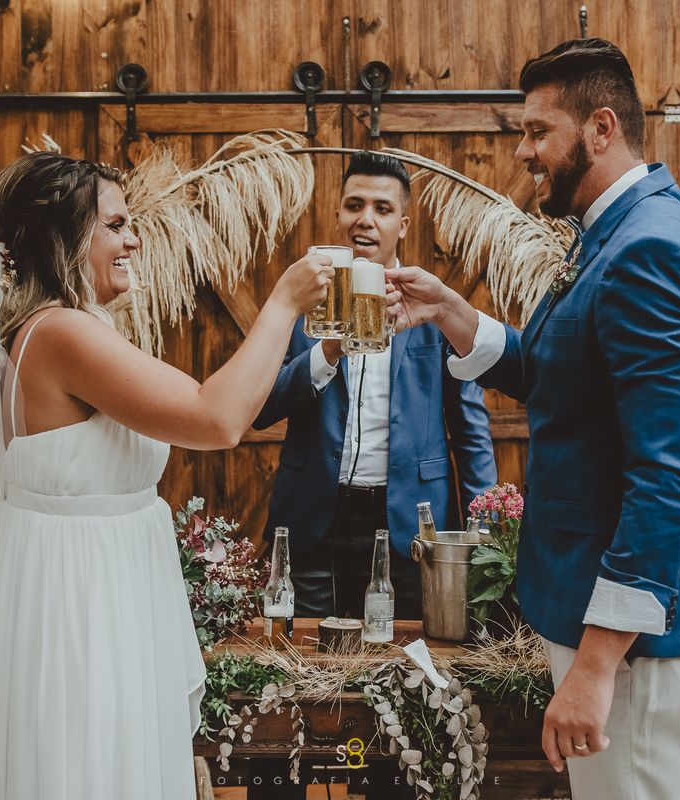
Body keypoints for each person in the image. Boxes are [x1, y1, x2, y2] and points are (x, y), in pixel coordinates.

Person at [0, 151, 332, 800]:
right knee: (83, 765)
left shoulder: (65, 330)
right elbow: (218, 418)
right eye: (116, 225)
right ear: (69, 240)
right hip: (78, 596)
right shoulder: (64, 333)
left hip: (100, 580)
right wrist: (285, 301)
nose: (134, 238)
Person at [385, 39, 680, 800]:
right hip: (598, 618)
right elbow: (565, 375)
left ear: (601, 128)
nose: (523, 152)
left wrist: (597, 662)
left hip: (635, 643)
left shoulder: (651, 254)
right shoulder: (610, 235)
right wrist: (455, 316)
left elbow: (670, 479)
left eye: (537, 131)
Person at [248, 151, 495, 800]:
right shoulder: (304, 297)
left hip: (408, 526)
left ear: (402, 224)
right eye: (355, 205)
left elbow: (468, 427)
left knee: (409, 681)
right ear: (338, 212)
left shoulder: (432, 306)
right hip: (313, 521)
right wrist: (326, 352)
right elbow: (260, 405)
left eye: (382, 208)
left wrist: (493, 528)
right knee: (300, 681)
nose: (366, 219)